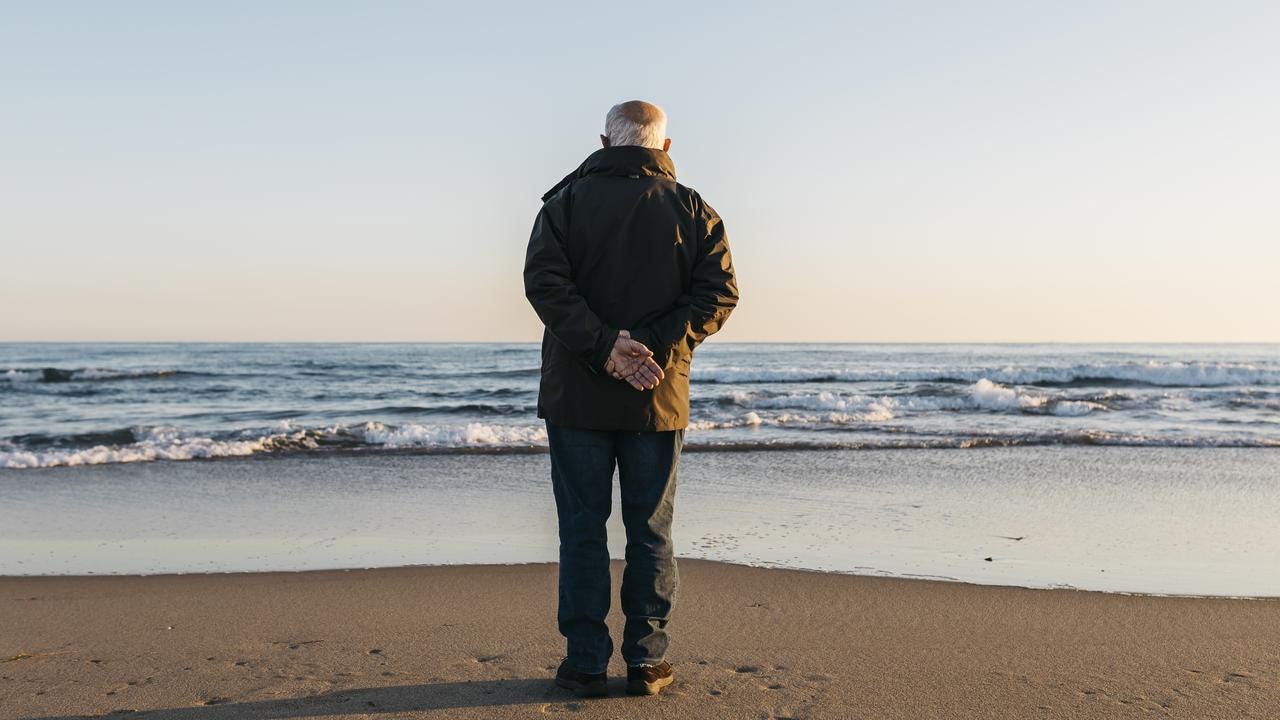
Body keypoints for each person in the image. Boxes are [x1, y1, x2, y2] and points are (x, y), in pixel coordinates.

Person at [523, 100, 739, 698]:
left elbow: (543, 283)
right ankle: (647, 662)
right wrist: (651, 348)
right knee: (650, 532)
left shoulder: (563, 203)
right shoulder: (694, 209)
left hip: (578, 397)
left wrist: (606, 348)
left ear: (605, 141)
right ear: (665, 147)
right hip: (657, 397)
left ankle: (587, 664)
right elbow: (719, 294)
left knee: (582, 529)